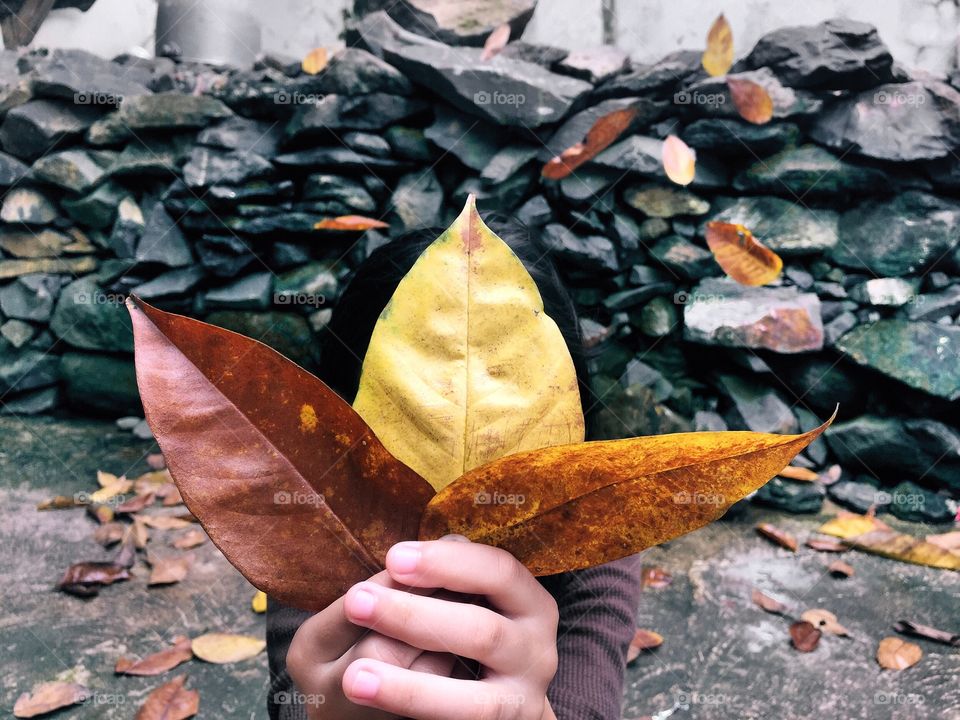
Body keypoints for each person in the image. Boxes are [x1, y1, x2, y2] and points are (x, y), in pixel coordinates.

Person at [267, 219, 644, 720]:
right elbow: (292, 690)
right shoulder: (311, 519)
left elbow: (591, 692)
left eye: (516, 424)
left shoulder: (598, 534)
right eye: (404, 417)